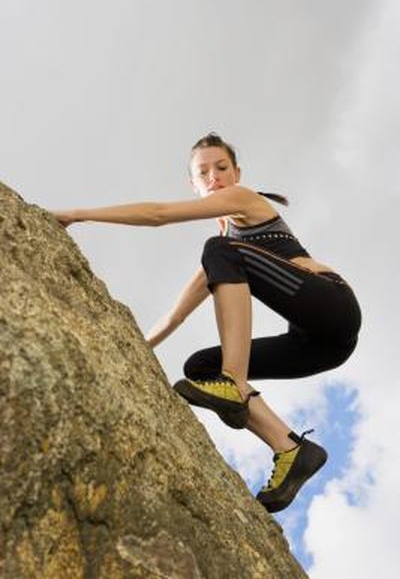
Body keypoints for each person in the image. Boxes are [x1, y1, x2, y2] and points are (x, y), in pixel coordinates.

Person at [52, 132, 362, 513]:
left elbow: (158, 215)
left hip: (335, 309)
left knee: (220, 259)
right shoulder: (226, 249)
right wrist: (135, 351)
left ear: (236, 173)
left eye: (222, 168)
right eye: (204, 172)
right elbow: (176, 314)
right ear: (194, 184)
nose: (214, 176)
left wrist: (76, 214)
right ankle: (291, 448)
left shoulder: (243, 203)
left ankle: (234, 381)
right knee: (200, 367)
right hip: (316, 348)